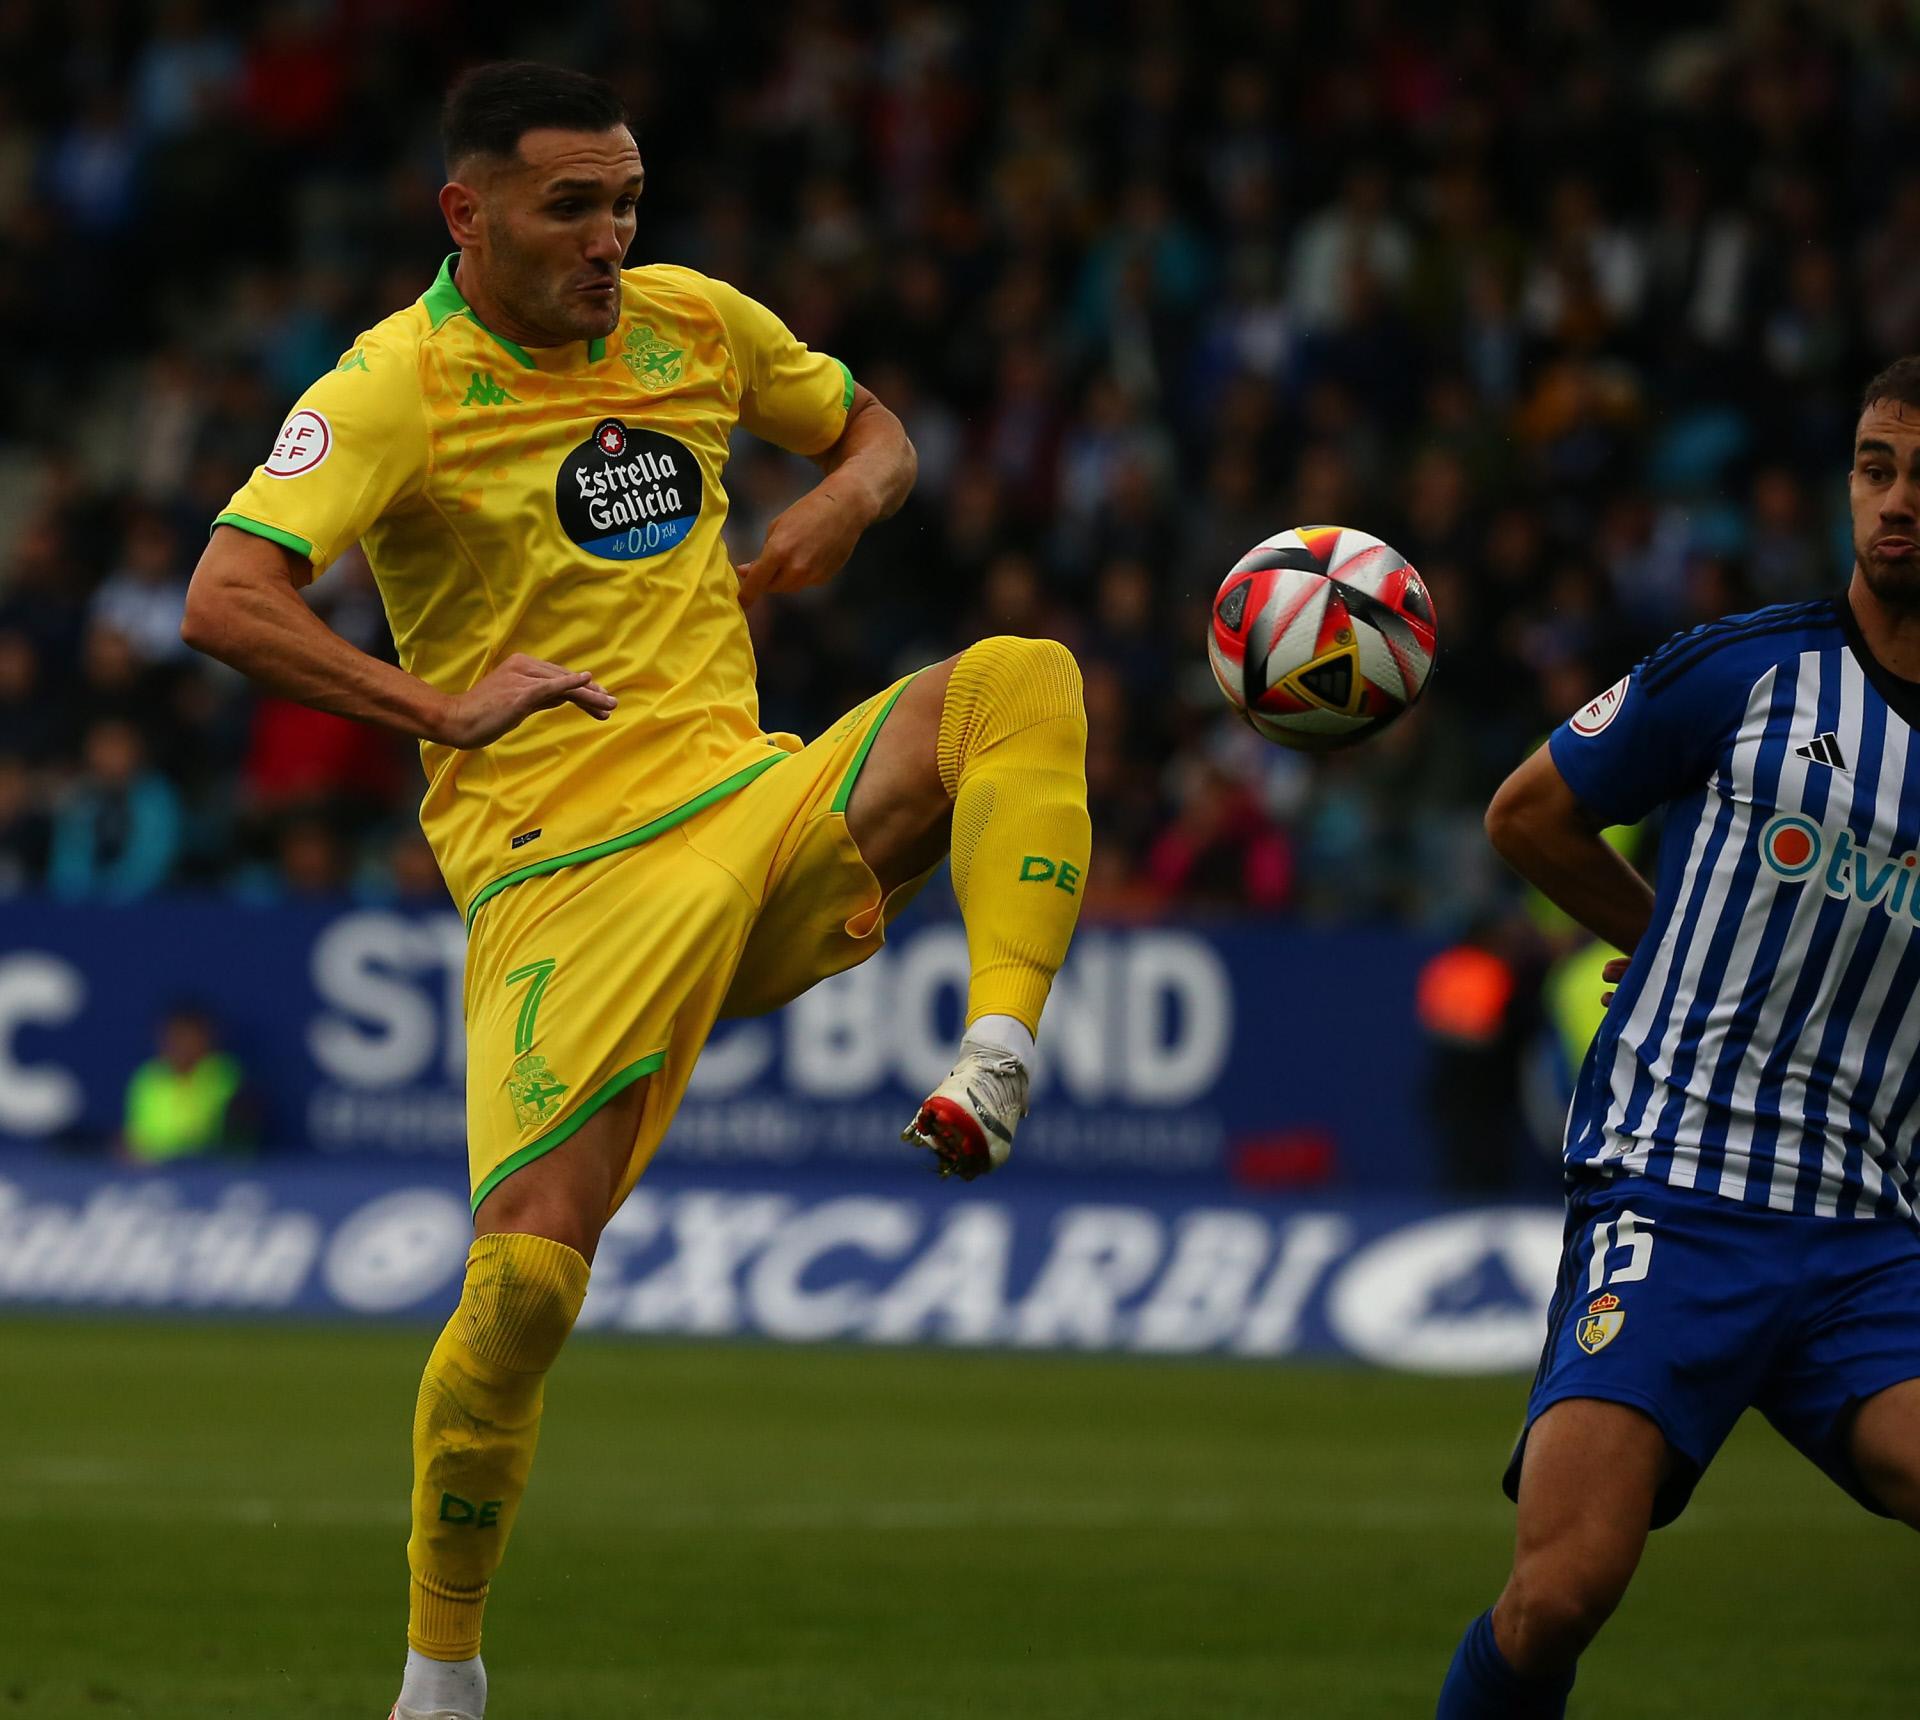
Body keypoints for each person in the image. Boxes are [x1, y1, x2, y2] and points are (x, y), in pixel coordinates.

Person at [181, 63, 1091, 1720]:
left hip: (751, 805)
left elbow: (879, 432)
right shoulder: (391, 388)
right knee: (525, 1283)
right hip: (563, 879)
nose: (611, 239)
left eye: (626, 204)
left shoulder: (693, 323)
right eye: (572, 208)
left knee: (1018, 679)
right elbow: (226, 596)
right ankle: (440, 1673)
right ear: (466, 215)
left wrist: (841, 501)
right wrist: (440, 708)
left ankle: (999, 1052)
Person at [1437, 361, 1920, 1716]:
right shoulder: (1751, 670)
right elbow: (1528, 814)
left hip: (1868, 1230)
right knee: (1560, 1593)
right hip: (1678, 1190)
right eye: (1875, 468)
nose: (1895, 502)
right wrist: (1668, 946)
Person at [122, 1003, 255, 1162]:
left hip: (208, 1167)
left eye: (189, 1037)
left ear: (206, 1039)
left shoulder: (223, 1075)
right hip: (154, 1167)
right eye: (176, 1037)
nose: (182, 1046)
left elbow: (209, 1136)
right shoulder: (148, 1077)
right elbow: (136, 1138)